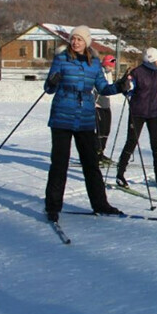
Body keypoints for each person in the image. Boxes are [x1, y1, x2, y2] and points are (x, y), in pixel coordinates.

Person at [43, 25, 123, 222]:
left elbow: (103, 88)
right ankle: (53, 206)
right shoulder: (61, 59)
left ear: (86, 42)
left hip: (85, 118)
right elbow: (48, 88)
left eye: (80, 39)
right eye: (74, 38)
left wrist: (120, 86)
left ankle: (100, 204)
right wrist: (53, 82)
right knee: (59, 164)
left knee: (91, 163)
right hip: (62, 116)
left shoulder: (94, 63)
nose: (75, 42)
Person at [115, 48, 157, 189]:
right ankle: (120, 174)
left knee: (156, 144)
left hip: (154, 113)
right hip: (137, 112)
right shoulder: (136, 73)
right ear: (152, 60)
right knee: (131, 142)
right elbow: (128, 90)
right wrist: (126, 87)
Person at [95, 54, 116, 164]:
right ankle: (96, 154)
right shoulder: (100, 72)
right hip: (97, 105)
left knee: (106, 130)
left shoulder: (109, 73)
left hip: (106, 105)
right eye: (110, 65)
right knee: (100, 130)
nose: (112, 67)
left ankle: (101, 152)